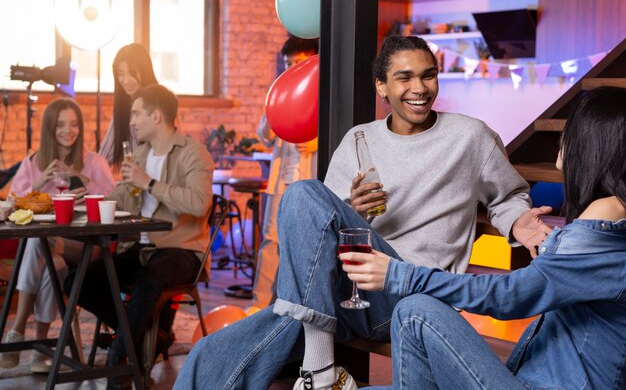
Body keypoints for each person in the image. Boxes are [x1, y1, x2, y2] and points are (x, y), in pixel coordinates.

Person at [174, 36, 551, 390]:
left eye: (427, 75)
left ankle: (319, 369)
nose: (419, 88)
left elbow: (508, 195)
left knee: (301, 210)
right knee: (207, 353)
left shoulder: (471, 137)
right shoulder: (359, 139)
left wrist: (519, 222)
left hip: (413, 294)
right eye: (404, 78)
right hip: (343, 295)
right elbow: (316, 232)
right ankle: (321, 369)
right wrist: (353, 210)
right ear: (382, 87)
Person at [352, 86, 626, 390]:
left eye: (571, 128)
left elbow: (510, 297)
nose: (563, 137)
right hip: (525, 379)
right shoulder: (610, 223)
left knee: (414, 310)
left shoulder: (605, 214)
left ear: (594, 142)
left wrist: (398, 274)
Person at [65, 84, 214, 389]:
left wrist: (150, 184)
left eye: (136, 113)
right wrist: (91, 196)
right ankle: (152, 337)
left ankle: (119, 360)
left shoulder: (193, 153)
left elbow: (200, 203)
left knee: (148, 280)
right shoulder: (142, 153)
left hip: (181, 250)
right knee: (78, 280)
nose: (131, 121)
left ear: (156, 116)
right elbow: (123, 193)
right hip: (140, 247)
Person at [0, 97, 115, 373]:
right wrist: (39, 183)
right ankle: (41, 347)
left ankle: (16, 330)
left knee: (41, 242)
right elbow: (11, 206)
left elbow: (115, 199)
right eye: (61, 124)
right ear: (50, 128)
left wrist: (79, 176)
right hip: (52, 253)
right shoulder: (33, 162)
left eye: (74, 124)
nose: (68, 130)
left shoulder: (94, 161)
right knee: (51, 260)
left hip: (89, 247)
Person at [251, 36, 319, 308]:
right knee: (270, 243)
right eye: (289, 63)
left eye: (298, 63)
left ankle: (295, 305)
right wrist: (273, 108)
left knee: (305, 246)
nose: (292, 68)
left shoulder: (320, 95)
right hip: (281, 182)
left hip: (311, 182)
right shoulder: (280, 91)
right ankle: (258, 305)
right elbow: (264, 136)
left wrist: (314, 142)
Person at [99, 43, 158, 167]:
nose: (125, 80)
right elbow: (104, 156)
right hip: (134, 182)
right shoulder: (123, 108)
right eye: (121, 74)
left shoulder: (160, 105)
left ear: (144, 71)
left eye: (132, 73)